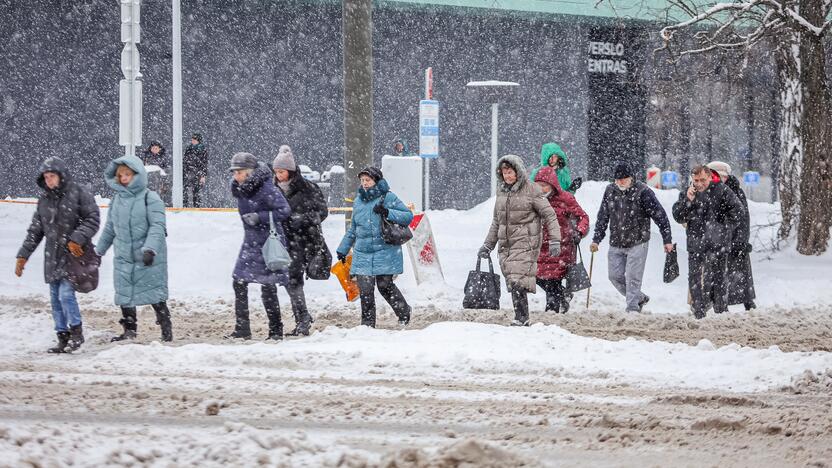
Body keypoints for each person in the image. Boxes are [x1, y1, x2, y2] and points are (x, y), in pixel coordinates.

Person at [16, 157, 100, 353]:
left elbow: (93, 218)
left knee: (65, 295)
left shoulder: (79, 192)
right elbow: (35, 231)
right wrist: (23, 256)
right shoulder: (44, 200)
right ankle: (62, 336)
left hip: (74, 256)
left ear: (61, 176)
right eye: (46, 177)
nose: (49, 180)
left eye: (52, 176)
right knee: (55, 298)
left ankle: (77, 334)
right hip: (52, 257)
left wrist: (76, 238)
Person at [96, 155, 173, 342]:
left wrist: (150, 249)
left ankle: (165, 325)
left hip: (147, 256)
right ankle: (129, 329)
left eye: (127, 174)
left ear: (137, 175)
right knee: (125, 294)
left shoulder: (150, 198)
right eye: (120, 175)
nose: (123, 178)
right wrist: (99, 251)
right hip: (123, 256)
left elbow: (157, 226)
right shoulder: (117, 200)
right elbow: (110, 228)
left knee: (154, 292)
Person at [478, 155, 561, 326]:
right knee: (513, 279)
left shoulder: (532, 190)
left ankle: (521, 318)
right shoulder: (501, 192)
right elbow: (497, 221)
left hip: (526, 241)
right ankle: (521, 316)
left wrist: (555, 240)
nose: (507, 176)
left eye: (510, 172)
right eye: (504, 173)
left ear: (518, 172)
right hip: (506, 244)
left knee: (516, 278)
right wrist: (488, 245)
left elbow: (549, 214)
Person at [590, 162, 673, 313]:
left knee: (633, 277)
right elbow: (603, 216)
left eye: (624, 178)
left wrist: (667, 239)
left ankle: (632, 308)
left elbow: (660, 216)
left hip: (638, 241)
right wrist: (596, 239)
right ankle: (639, 298)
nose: (620, 182)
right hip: (616, 240)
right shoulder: (610, 191)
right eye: (617, 179)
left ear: (631, 177)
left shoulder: (643, 192)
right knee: (614, 276)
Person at [336, 167, 413, 328]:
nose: (364, 183)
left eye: (368, 180)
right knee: (365, 291)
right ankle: (367, 325)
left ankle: (404, 312)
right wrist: (343, 248)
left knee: (385, 286)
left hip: (385, 251)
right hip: (362, 252)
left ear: (376, 180)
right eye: (362, 180)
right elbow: (353, 229)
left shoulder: (388, 197)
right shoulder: (358, 201)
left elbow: (407, 216)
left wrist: (387, 212)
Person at [229, 152, 291, 340]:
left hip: (268, 242)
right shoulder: (241, 190)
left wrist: (260, 217)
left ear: (249, 173)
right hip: (251, 241)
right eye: (234, 172)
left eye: (238, 172)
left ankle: (275, 331)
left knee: (268, 285)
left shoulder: (266, 189)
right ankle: (242, 329)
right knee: (238, 281)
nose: (235, 176)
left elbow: (284, 210)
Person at [672, 165, 743, 319]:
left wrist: (723, 227)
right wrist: (687, 201)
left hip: (718, 243)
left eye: (703, 180)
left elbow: (738, 211)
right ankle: (698, 311)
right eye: (696, 180)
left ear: (710, 177)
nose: (699, 183)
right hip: (696, 242)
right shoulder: (688, 192)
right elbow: (678, 216)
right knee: (695, 278)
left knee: (719, 277)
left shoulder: (722, 190)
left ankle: (721, 310)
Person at [273, 145, 328, 336]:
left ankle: (303, 318)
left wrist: (302, 219)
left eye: (282, 171)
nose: (278, 175)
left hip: (305, 241)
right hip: (283, 241)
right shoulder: (272, 190)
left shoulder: (308, 188)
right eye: (276, 171)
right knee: (290, 281)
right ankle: (302, 318)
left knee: (293, 279)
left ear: (290, 171)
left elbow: (322, 212)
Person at [533, 166, 590, 314]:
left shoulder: (565, 199)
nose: (542, 189)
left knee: (552, 280)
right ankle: (563, 295)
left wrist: (579, 231)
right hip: (539, 246)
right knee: (535, 277)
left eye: (544, 186)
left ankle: (551, 313)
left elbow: (583, 217)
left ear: (552, 184)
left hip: (561, 247)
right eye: (538, 186)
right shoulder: (534, 200)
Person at [706, 161, 756, 310]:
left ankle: (747, 303)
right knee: (721, 274)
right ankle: (720, 304)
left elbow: (743, 219)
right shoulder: (711, 191)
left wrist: (740, 240)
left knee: (739, 274)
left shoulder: (734, 191)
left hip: (734, 240)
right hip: (718, 240)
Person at [183, 133, 209, 207]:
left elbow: (204, 163)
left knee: (196, 191)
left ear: (199, 141)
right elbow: (184, 160)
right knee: (184, 190)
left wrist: (203, 175)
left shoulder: (203, 150)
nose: (193, 141)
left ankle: (196, 208)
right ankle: (185, 206)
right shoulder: (188, 148)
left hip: (197, 173)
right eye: (192, 139)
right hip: (188, 171)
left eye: (195, 140)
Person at [142, 141, 170, 205]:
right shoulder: (146, 156)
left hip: (159, 179)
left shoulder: (164, 156)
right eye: (153, 148)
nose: (154, 150)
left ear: (159, 149)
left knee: (159, 193)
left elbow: (166, 168)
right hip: (148, 179)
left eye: (156, 148)